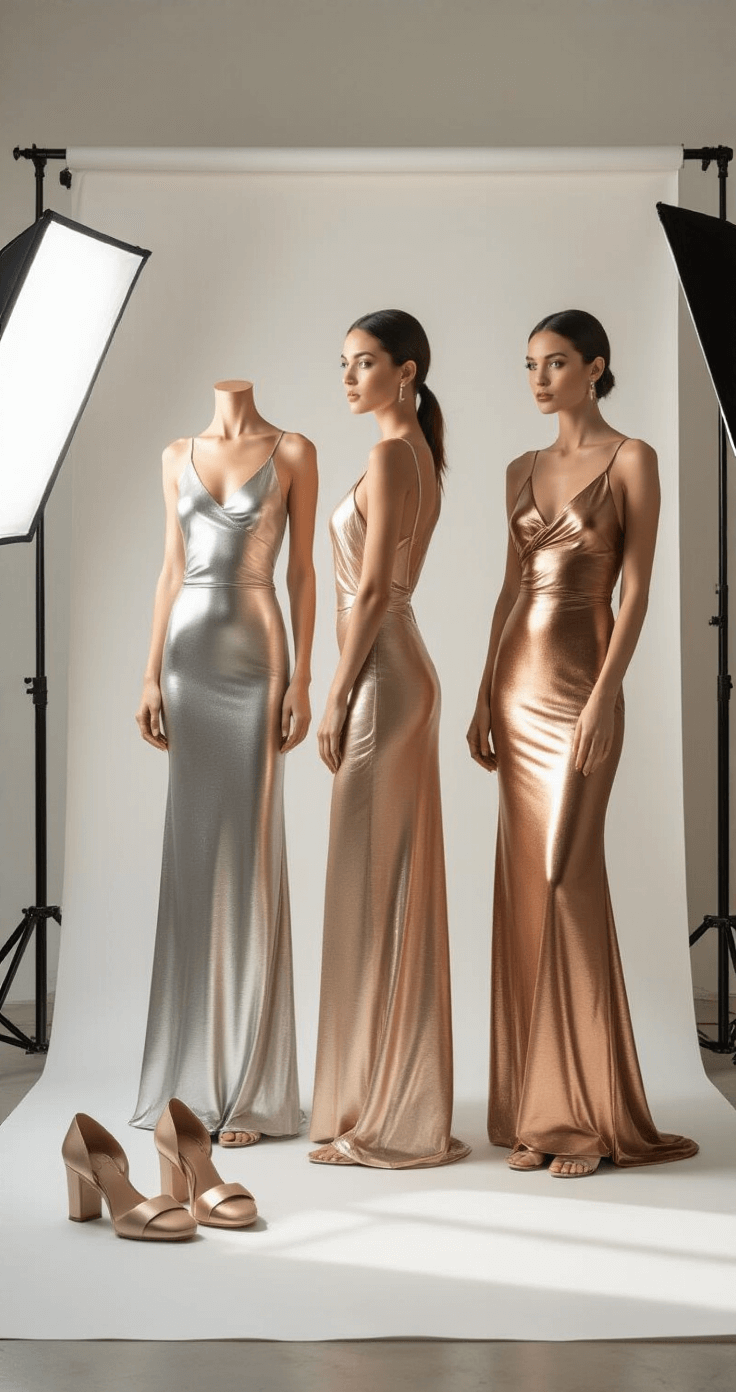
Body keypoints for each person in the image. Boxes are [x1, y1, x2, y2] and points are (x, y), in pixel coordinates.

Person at [467, 310, 698, 1176]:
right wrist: (485, 693)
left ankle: (590, 1120)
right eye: (529, 364)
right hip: (517, 685)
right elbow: (507, 586)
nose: (539, 379)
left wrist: (606, 696)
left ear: (596, 368)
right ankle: (540, 1112)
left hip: (581, 687)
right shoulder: (518, 470)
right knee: (528, 887)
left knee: (567, 879)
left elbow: (635, 591)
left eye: (556, 363)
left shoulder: (633, 458)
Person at [131, 379, 317, 1147]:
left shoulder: (294, 450)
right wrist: (148, 674)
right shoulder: (176, 453)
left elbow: (301, 572)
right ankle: (189, 1080)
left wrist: (304, 676)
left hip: (257, 653)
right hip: (187, 657)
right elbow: (171, 571)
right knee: (192, 861)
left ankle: (252, 1090)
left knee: (250, 861)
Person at [309, 310, 469, 1168]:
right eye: (342, 363)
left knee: (373, 888)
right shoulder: (416, 454)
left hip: (380, 677)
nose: (347, 377)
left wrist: (334, 698)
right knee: (378, 886)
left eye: (363, 363)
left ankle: (388, 1114)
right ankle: (376, 1096)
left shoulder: (389, 454)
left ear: (405, 372)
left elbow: (371, 594)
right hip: (394, 674)